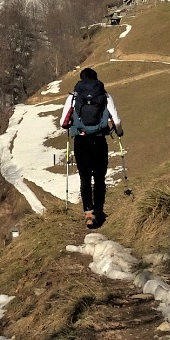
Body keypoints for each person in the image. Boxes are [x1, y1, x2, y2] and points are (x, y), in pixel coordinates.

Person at [59, 67, 122, 229]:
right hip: (100, 141)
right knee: (99, 178)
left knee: (85, 178)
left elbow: (63, 123)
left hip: (81, 141)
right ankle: (99, 211)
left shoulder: (74, 97)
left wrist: (73, 124)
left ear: (81, 80)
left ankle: (88, 213)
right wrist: (119, 133)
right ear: (96, 79)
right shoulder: (105, 95)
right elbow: (116, 120)